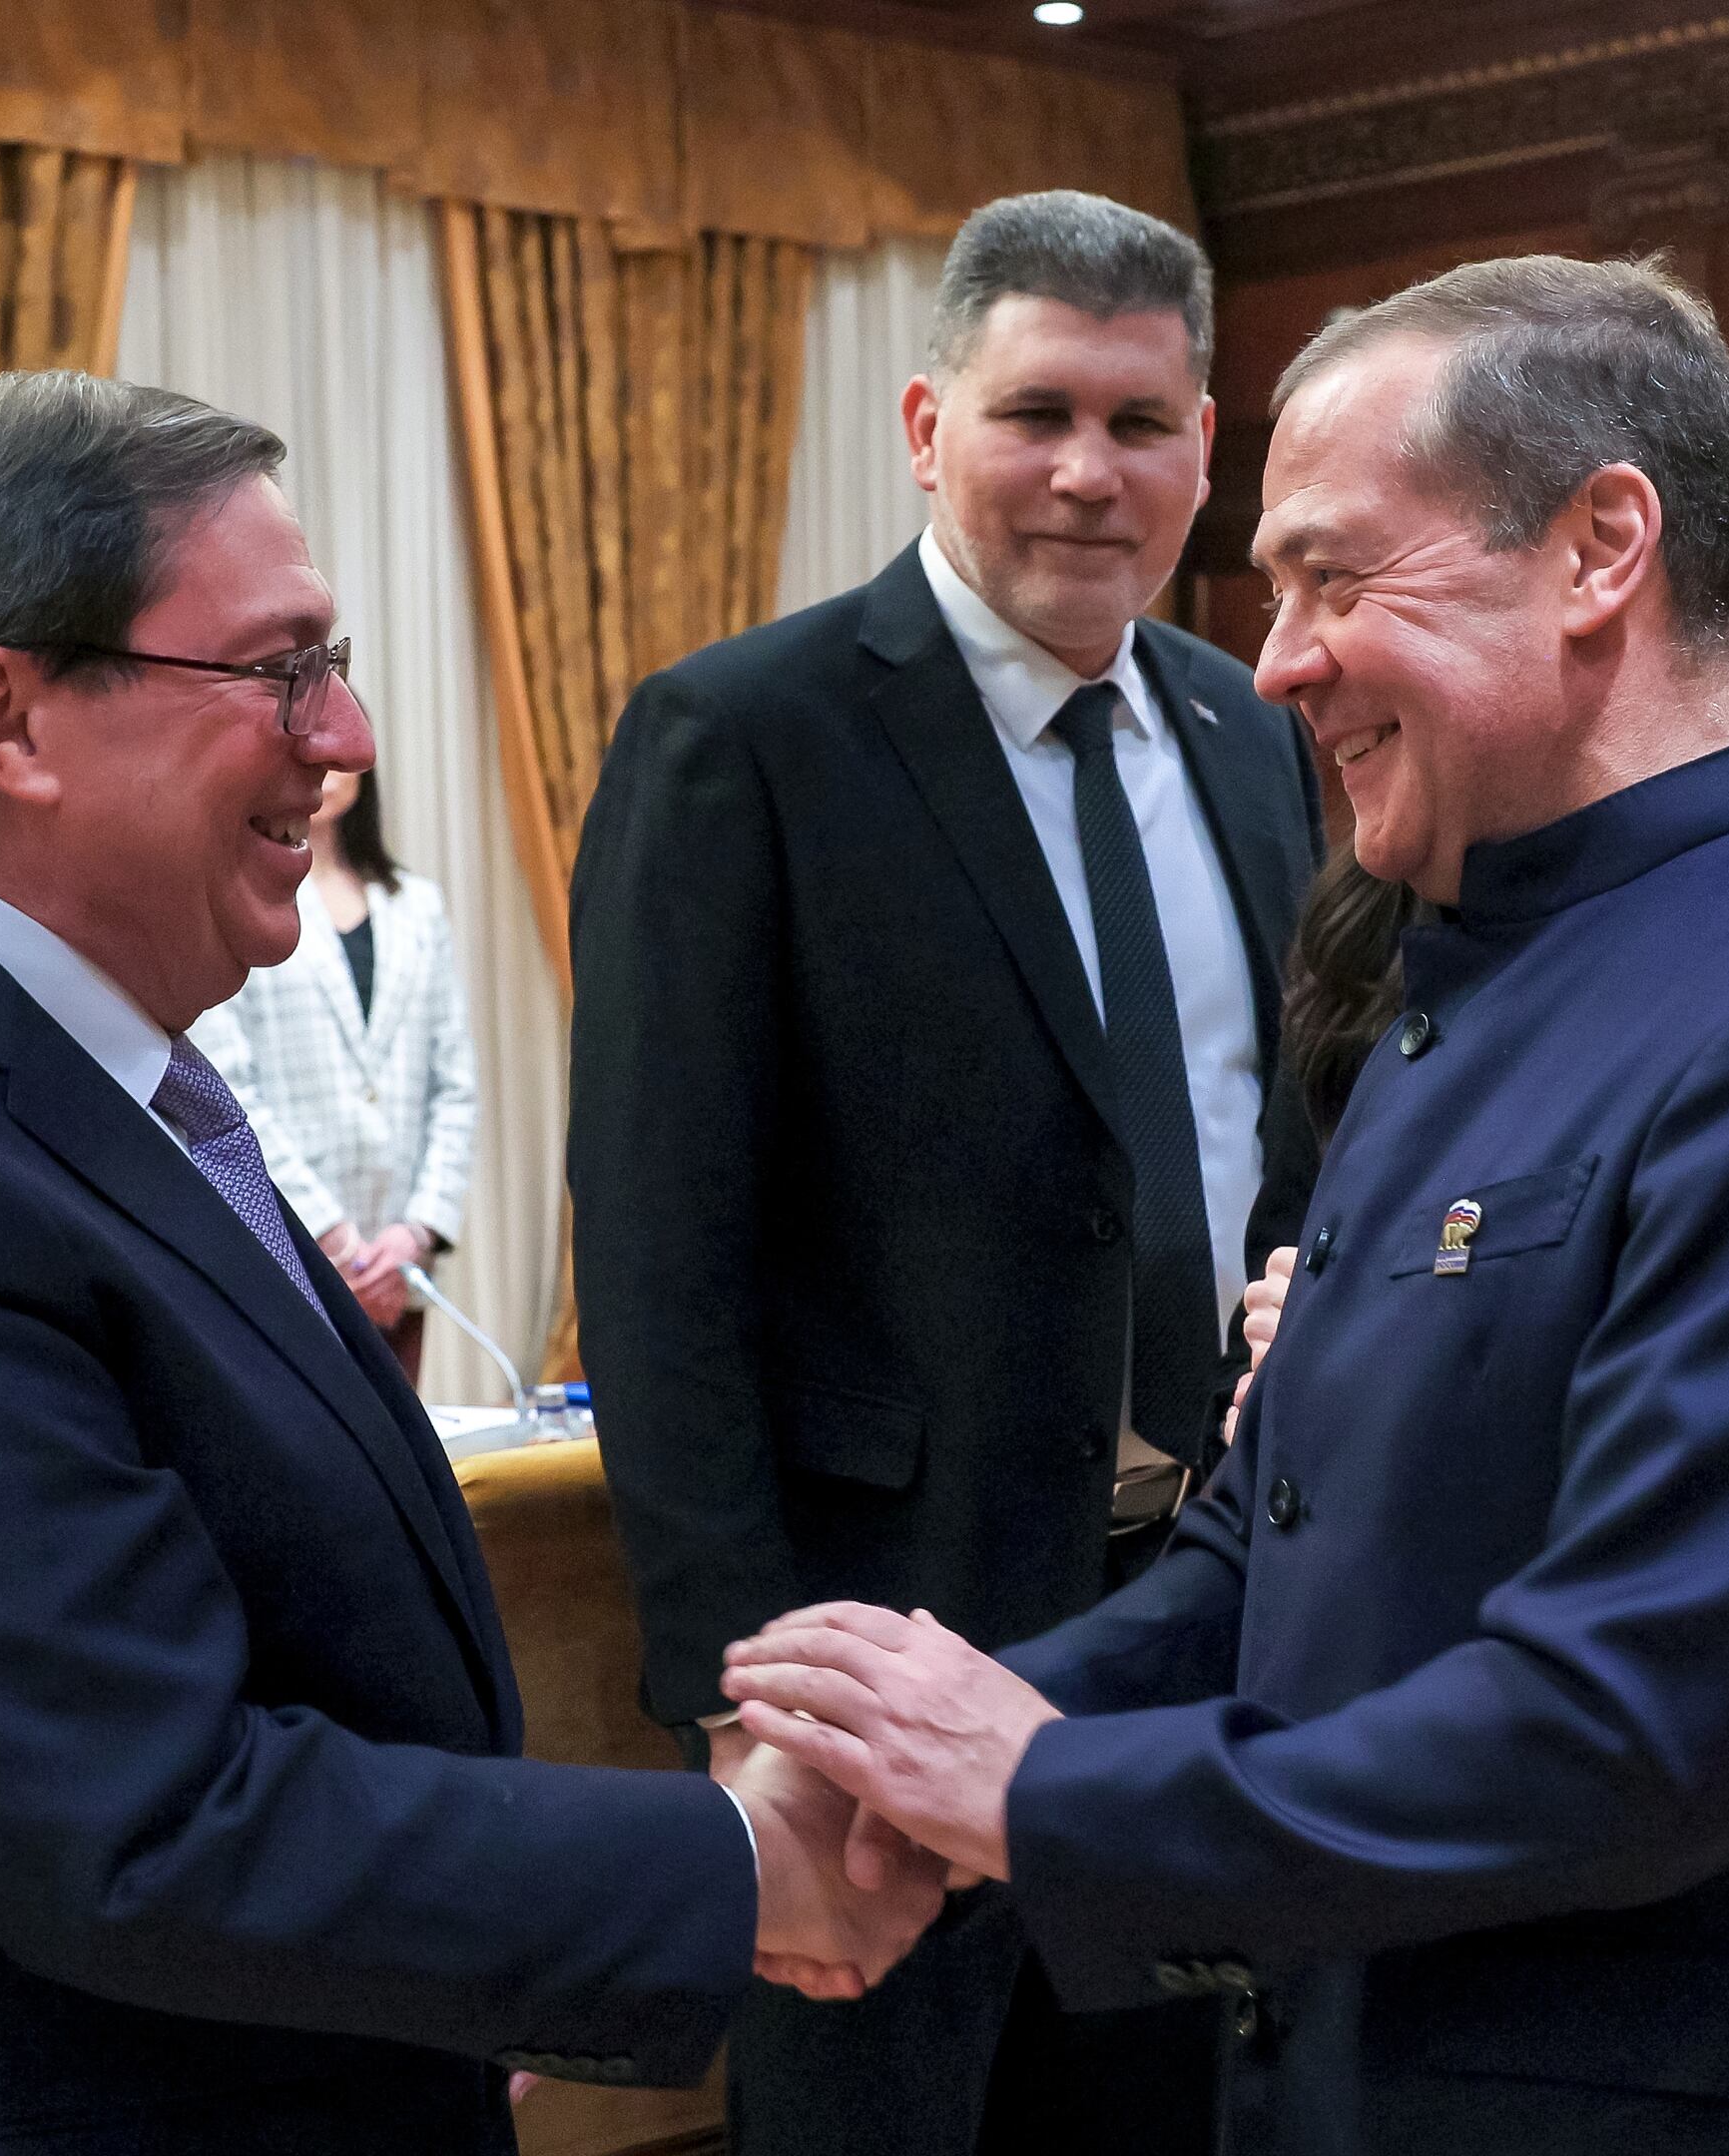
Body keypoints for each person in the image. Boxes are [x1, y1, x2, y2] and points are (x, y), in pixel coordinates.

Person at [728, 256, 1729, 2156]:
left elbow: (1636, 1729)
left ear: (1602, 549)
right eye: (1275, 592)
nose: (1277, 659)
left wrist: (1042, 1797)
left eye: (1334, 577)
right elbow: (1264, 1554)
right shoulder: (1465, 978)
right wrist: (925, 1756)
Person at [0, 371, 935, 2156]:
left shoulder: (66, 1079)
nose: (344, 735)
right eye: (279, 670)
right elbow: (139, 1822)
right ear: (10, 720)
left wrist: (461, 1970)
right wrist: (736, 1864)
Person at [567, 191, 1320, 2156]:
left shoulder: (1257, 736)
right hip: (882, 1658)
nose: (1088, 471)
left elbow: (1295, 1147)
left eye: (1140, 423)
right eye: (1033, 412)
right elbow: (659, 1256)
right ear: (925, 422)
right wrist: (739, 1704)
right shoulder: (742, 734)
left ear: (1206, 449)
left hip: (1193, 1642)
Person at [196, 760, 478, 1381]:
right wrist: (336, 1243)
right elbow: (229, 1088)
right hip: (290, 1252)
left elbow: (454, 1086)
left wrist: (415, 1233)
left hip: (399, 1269)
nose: (324, 767)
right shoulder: (242, 902)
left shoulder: (418, 907)